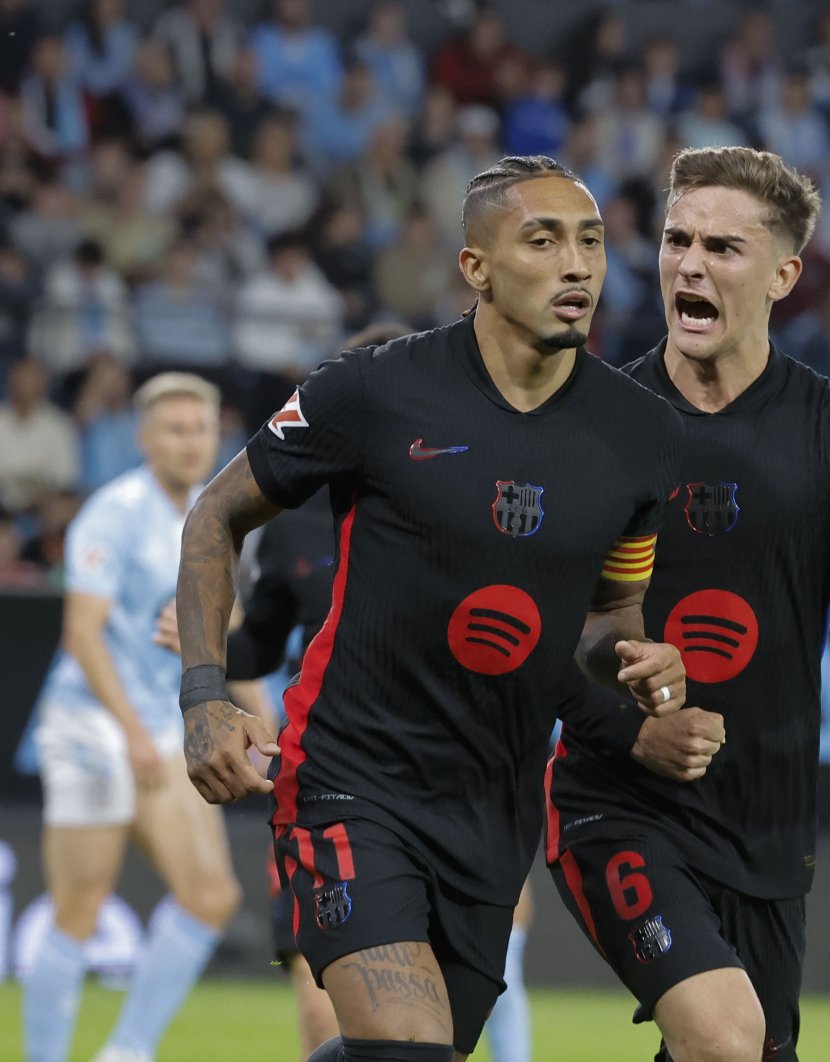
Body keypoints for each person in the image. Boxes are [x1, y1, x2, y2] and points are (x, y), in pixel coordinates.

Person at [174, 155, 688, 1062]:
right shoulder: (373, 389)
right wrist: (204, 694)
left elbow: (614, 618)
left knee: (422, 1057)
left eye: (592, 242)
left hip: (493, 807)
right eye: (543, 239)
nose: (577, 265)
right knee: (408, 1048)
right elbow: (217, 513)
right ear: (476, 269)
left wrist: (645, 667)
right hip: (350, 779)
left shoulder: (640, 436)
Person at [545, 146, 830, 1062]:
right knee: (724, 1037)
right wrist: (630, 732)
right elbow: (541, 629)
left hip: (766, 827)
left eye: (723, 247)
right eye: (677, 240)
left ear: (784, 275)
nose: (689, 263)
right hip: (618, 802)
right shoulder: (594, 420)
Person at [155, 326, 538, 1061]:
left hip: (467, 778)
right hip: (339, 776)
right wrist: (207, 659)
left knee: (434, 1036)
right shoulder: (292, 522)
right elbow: (263, 637)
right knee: (336, 1020)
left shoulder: (481, 505)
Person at [22, 373, 237, 1062]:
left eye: (199, 429)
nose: (189, 442)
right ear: (142, 438)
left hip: (160, 725)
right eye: (174, 429)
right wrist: (136, 736)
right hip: (91, 726)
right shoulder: (112, 512)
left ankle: (126, 1052)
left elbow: (226, 628)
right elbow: (82, 633)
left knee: (211, 895)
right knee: (79, 909)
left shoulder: (215, 520)